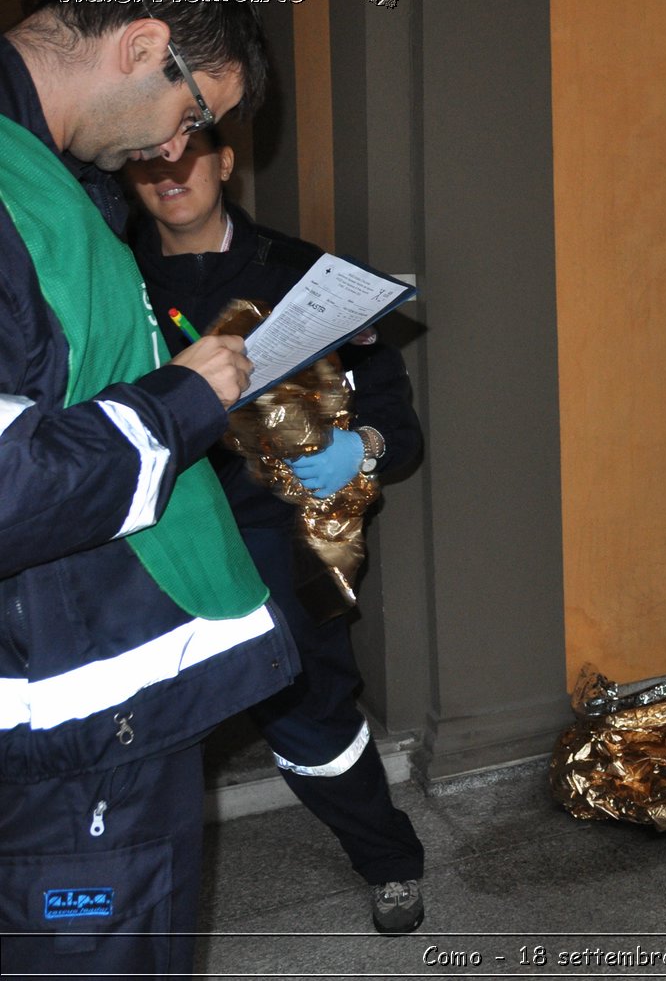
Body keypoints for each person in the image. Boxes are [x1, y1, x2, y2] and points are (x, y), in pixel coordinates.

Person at [0, 0, 299, 976]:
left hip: (84, 695)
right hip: (69, 722)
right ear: (143, 45)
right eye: (196, 113)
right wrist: (182, 401)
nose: (179, 149)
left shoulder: (39, 171)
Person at [123, 127, 428, 935]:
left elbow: (397, 419)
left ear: (226, 162)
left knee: (310, 705)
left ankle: (388, 858)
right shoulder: (111, 276)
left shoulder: (307, 276)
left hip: (276, 534)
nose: (167, 170)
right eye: (146, 156)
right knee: (142, 719)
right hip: (152, 535)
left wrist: (359, 447)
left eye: (187, 151)